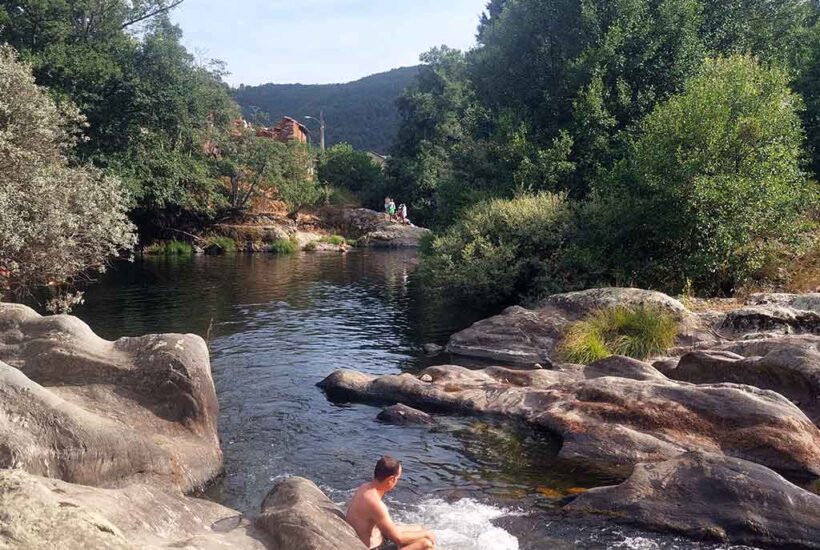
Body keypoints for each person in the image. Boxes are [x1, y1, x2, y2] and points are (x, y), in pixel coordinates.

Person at [346, 456, 436, 550]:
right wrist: (427, 534)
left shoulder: (365, 487)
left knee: (418, 528)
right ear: (391, 479)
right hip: (371, 547)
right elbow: (399, 539)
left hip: (372, 537)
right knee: (426, 544)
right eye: (398, 479)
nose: (397, 482)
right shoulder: (376, 504)